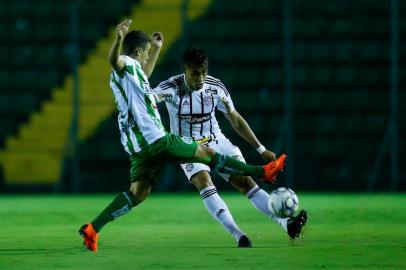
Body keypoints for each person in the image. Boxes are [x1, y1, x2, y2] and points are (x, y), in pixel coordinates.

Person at [78, 19, 287, 252]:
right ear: (137, 52)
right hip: (155, 137)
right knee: (206, 152)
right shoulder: (125, 63)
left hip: (136, 145)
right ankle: (263, 172)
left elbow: (144, 77)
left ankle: (93, 228)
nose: (147, 57)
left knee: (138, 193)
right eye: (146, 53)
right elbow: (114, 61)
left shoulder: (132, 74)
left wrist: (156, 49)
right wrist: (118, 38)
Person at [153, 48, 308, 246]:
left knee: (247, 184)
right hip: (188, 147)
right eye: (195, 73)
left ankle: (288, 224)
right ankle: (238, 235)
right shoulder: (170, 87)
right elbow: (149, 99)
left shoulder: (215, 87)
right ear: (184, 70)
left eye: (204, 71)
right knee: (205, 183)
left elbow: (235, 119)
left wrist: (261, 149)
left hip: (217, 141)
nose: (200, 78)